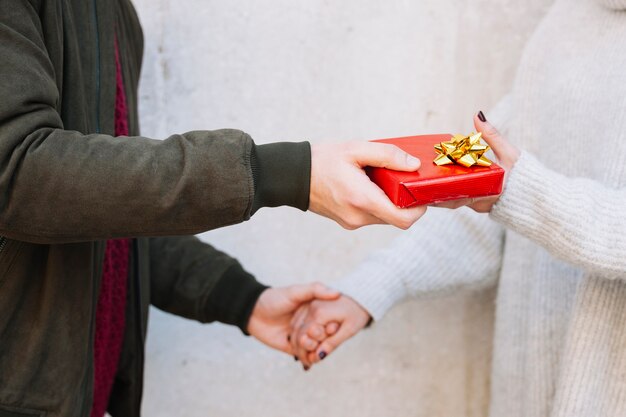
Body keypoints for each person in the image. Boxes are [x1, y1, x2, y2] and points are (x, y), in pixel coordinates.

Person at [0, 1, 428, 416]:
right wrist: (283, 173)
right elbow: (17, 170)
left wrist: (243, 300)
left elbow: (101, 220)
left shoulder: (117, 14)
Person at [290, 0, 626, 416]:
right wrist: (371, 289)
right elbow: (488, 201)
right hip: (526, 392)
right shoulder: (565, 22)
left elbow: (515, 189)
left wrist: (516, 189)